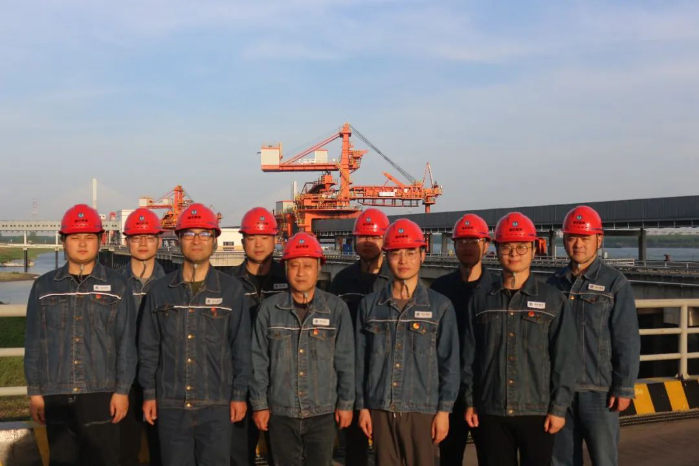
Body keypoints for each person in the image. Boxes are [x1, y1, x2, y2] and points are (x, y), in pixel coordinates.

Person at [461, 212, 579, 466]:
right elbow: (469, 357)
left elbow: (565, 359)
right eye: (507, 247)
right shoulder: (481, 301)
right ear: (496, 250)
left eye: (522, 247)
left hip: (537, 411)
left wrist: (559, 409)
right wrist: (470, 402)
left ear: (534, 249)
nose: (514, 253)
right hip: (491, 410)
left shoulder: (553, 300)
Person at [138, 203, 251, 466]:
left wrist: (239, 395)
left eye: (204, 234)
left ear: (214, 240)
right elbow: (149, 347)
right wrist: (149, 393)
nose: (197, 240)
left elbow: (241, 348)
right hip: (171, 403)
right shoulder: (160, 291)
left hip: (217, 403)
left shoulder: (232, 291)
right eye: (189, 234)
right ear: (178, 239)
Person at [24, 204, 136, 466]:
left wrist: (122, 391)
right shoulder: (44, 286)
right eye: (75, 237)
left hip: (102, 392)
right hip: (56, 392)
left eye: (89, 237)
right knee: (61, 460)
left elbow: (126, 342)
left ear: (101, 239)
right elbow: (34, 343)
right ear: (63, 241)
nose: (83, 244)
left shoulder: (118, 286)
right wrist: (35, 393)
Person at [355, 219, 460, 466]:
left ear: (422, 255)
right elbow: (360, 362)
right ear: (386, 256)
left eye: (410, 252)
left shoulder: (440, 306)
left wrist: (444, 412)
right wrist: (362, 407)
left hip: (422, 409)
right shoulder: (370, 306)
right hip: (380, 407)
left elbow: (449, 364)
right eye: (396, 253)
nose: (403, 260)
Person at [251, 232, 355, 466]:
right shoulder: (269, 310)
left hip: (323, 412)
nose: (300, 272)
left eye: (307, 266)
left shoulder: (336, 309)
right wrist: (260, 405)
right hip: (281, 412)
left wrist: (346, 404)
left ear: (319, 267)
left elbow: (346, 361)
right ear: (285, 268)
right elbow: (259, 361)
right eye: (294, 266)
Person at [549, 206, 640, 466]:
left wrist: (623, 387)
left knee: (604, 459)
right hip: (560, 392)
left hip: (599, 392)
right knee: (562, 460)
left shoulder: (615, 284)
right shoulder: (553, 284)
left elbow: (627, 339)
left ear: (599, 240)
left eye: (584, 238)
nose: (578, 244)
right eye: (572, 237)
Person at [329, 208, 393, 466]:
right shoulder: (342, 281)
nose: (368, 242)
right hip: (351, 377)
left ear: (385, 240)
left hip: (387, 375)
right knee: (354, 449)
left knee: (388, 450)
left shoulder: (396, 279)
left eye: (374, 237)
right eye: (363, 237)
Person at [430, 213, 493, 466]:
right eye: (462, 241)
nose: (467, 247)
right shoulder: (439, 289)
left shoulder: (496, 290)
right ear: (454, 245)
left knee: (491, 456)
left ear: (486, 245)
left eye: (474, 241)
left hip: (487, 390)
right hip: (449, 392)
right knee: (449, 457)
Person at [229, 207, 288, 466]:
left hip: (280, 379)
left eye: (265, 237)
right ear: (243, 241)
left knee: (282, 455)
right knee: (240, 454)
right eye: (252, 238)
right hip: (241, 379)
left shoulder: (289, 280)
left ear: (275, 240)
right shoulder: (229, 284)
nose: (258, 244)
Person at [119, 207, 166, 466]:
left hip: (162, 380)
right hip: (123, 382)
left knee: (163, 451)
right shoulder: (115, 285)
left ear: (159, 240)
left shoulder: (172, 285)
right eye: (137, 237)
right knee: (125, 451)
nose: (143, 243)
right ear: (127, 242)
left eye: (149, 237)